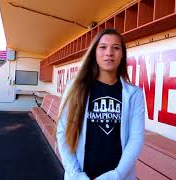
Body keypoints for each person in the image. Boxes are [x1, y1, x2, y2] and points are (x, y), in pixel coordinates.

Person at [56, 29, 145, 180]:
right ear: (94, 53)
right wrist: (77, 175)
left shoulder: (134, 94)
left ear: (122, 54)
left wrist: (116, 175)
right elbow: (63, 133)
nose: (109, 52)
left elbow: (136, 139)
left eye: (116, 48)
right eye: (103, 47)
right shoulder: (75, 88)